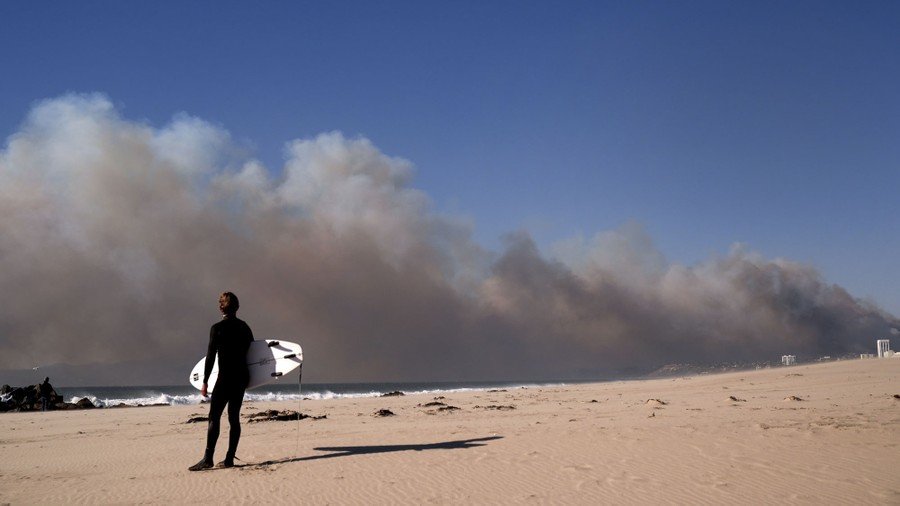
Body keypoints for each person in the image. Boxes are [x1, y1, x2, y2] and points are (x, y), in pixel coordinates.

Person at [189, 292, 254, 471]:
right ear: (237, 308)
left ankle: (208, 458)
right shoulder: (244, 327)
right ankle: (229, 458)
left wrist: (205, 382)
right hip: (241, 377)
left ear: (220, 308)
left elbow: (210, 357)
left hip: (225, 378)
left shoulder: (217, 328)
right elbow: (253, 352)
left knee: (214, 417)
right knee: (234, 418)